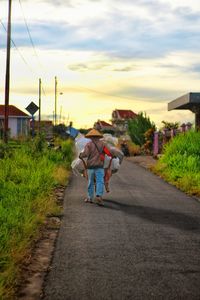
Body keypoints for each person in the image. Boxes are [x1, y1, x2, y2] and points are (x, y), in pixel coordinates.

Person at [79, 128, 112, 205]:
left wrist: (80, 155)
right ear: (98, 137)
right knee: (100, 181)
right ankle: (99, 196)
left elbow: (86, 154)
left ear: (91, 137)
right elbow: (108, 153)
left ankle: (90, 198)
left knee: (90, 182)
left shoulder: (88, 145)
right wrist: (112, 156)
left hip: (90, 166)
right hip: (100, 166)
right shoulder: (103, 144)